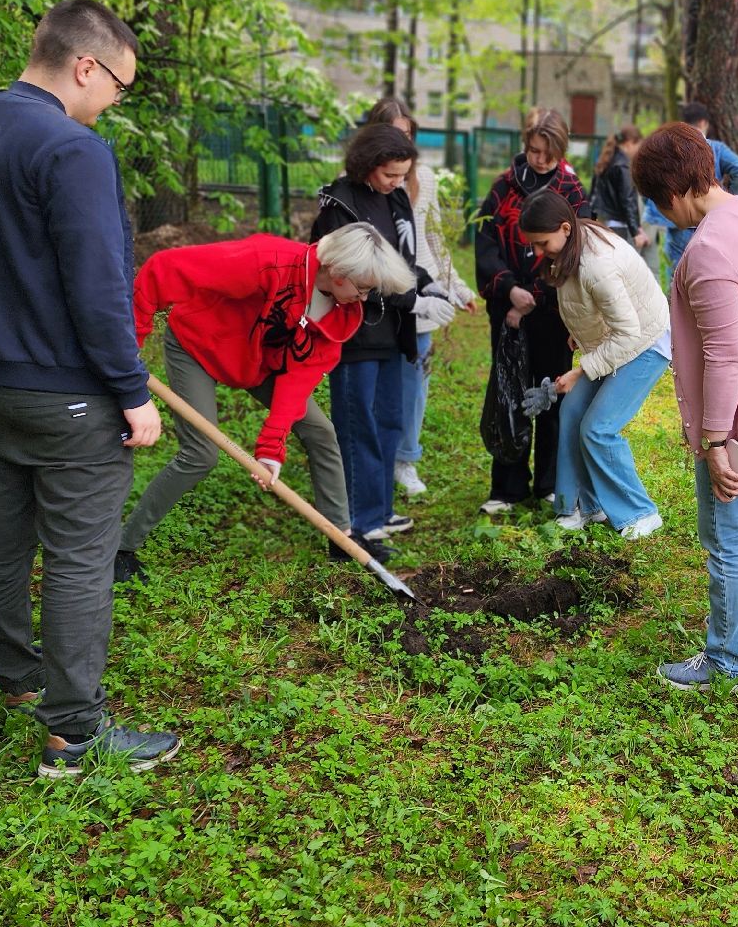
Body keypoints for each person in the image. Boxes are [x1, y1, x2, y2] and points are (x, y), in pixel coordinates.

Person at [0, 0, 179, 778]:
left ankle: (15, 677)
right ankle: (73, 732)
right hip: (64, 394)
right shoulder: (72, 151)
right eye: (118, 88)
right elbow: (98, 285)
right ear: (85, 66)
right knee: (79, 554)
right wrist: (131, 388)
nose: (112, 105)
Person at [118, 223, 414, 577]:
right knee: (201, 454)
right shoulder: (268, 261)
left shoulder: (341, 312)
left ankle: (341, 537)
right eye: (362, 288)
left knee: (320, 431)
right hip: (197, 347)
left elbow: (298, 379)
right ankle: (123, 548)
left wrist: (272, 447)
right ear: (338, 272)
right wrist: (127, 349)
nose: (364, 299)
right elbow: (164, 269)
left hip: (257, 364)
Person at [632, 123, 738, 692]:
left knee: (724, 531)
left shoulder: (708, 250)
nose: (661, 216)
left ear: (675, 191)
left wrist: (714, 442)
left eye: (659, 203)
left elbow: (725, 357)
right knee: (737, 519)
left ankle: (726, 661)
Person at [309, 123, 444, 547]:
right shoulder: (340, 204)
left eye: (403, 175)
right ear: (368, 165)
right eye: (390, 175)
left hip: (392, 332)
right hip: (355, 334)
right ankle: (356, 522)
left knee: (388, 422)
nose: (398, 183)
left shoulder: (397, 198)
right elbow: (345, 273)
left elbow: (399, 260)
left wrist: (425, 282)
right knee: (357, 426)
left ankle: (379, 509)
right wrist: (411, 300)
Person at [517, 192, 671, 539]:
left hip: (647, 342)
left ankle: (641, 512)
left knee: (599, 428)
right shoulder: (573, 245)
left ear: (564, 228)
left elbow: (629, 333)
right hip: (615, 340)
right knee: (572, 412)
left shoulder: (597, 264)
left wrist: (580, 370)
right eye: (534, 246)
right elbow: (587, 303)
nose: (540, 253)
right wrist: (580, 335)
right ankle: (584, 507)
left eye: (543, 244)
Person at [474, 108, 590, 514]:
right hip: (507, 313)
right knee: (510, 392)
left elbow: (577, 250)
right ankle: (507, 487)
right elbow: (485, 245)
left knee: (551, 395)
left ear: (560, 149)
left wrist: (536, 296)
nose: (538, 159)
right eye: (532, 150)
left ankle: (549, 483)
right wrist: (509, 291)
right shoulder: (503, 187)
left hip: (552, 315)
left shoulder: (572, 191)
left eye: (546, 152)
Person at [363, 98, 477, 500]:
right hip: (378, 301)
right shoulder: (364, 185)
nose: (402, 143)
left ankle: (405, 460)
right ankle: (371, 457)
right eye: (394, 133)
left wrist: (455, 287)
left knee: (415, 386)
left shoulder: (424, 179)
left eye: (408, 135)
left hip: (421, 301)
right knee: (376, 383)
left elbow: (433, 241)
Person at [640, 101, 738, 281]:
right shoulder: (715, 148)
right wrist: (732, 198)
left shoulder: (669, 147)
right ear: (703, 122)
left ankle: (673, 305)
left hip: (676, 221)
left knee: (676, 271)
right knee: (709, 269)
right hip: (710, 219)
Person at [591, 124, 659, 275]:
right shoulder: (623, 166)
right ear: (629, 144)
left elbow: (593, 196)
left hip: (604, 222)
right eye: (638, 146)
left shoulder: (605, 161)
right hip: (619, 227)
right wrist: (636, 232)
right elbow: (628, 200)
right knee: (622, 271)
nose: (638, 152)